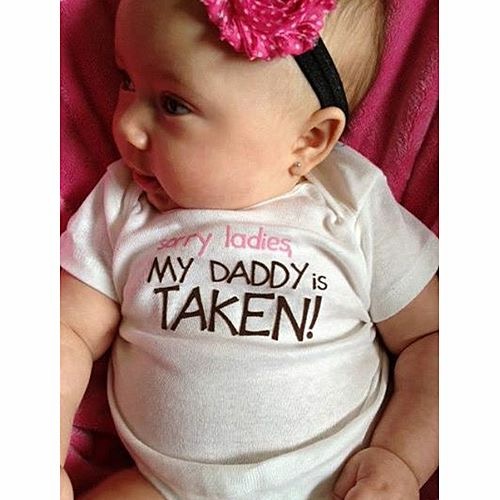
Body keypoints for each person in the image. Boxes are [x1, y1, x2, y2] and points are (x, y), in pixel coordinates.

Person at [60, 0, 438, 498]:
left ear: (310, 140)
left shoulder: (350, 200)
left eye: (173, 104)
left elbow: (432, 338)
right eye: (127, 81)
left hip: (330, 482)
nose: (127, 126)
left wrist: (400, 458)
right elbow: (65, 331)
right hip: (164, 487)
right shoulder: (123, 202)